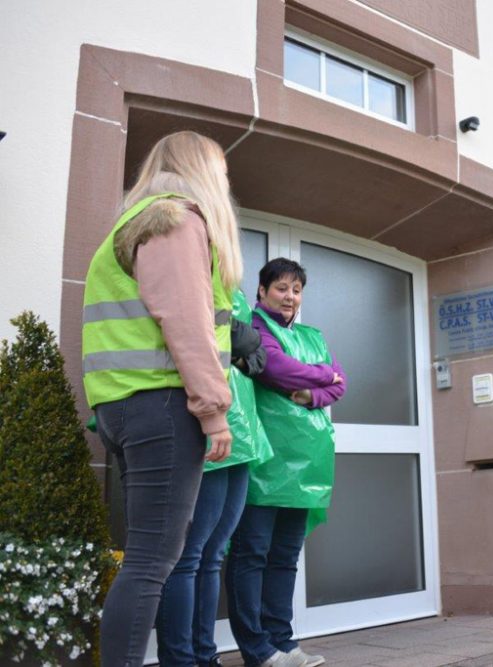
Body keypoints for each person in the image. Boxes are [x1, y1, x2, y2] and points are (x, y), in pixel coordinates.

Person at [83, 131, 242, 666]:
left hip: (126, 406)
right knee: (153, 560)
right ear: (200, 170)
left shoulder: (137, 220)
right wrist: (214, 411)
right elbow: (187, 324)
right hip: (161, 406)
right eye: (220, 171)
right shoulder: (175, 218)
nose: (224, 181)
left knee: (147, 557)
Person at [226, 258, 346, 667]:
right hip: (266, 460)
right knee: (252, 553)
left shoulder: (313, 336)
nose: (289, 296)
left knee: (284, 557)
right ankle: (256, 648)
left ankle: (282, 641)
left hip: (306, 466)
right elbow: (274, 369)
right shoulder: (256, 328)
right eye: (281, 288)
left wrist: (313, 394)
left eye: (296, 290)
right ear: (261, 292)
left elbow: (340, 383)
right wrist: (320, 376)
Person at [155, 288, 273, 667]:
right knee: (188, 555)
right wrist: (244, 339)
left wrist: (249, 343)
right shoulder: (188, 271)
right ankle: (180, 658)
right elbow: (217, 338)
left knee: (212, 555)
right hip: (203, 425)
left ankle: (205, 656)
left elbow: (255, 351)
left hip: (239, 432)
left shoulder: (231, 289)